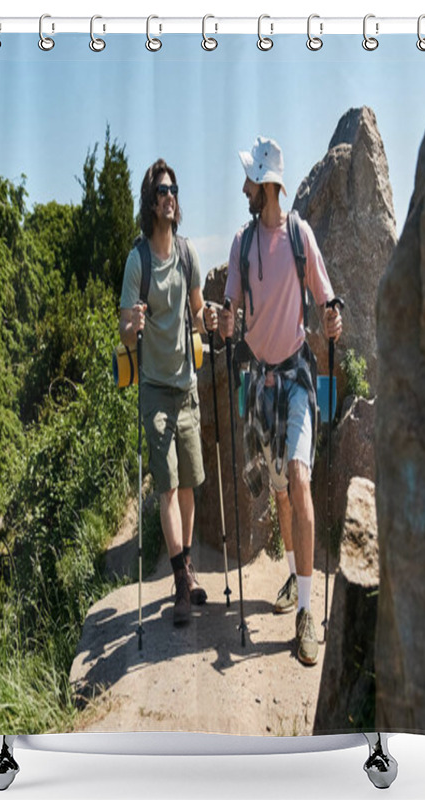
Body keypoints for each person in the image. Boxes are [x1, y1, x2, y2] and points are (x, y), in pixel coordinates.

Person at [218, 137, 342, 666]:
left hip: (296, 380)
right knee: (282, 495)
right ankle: (295, 573)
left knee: (298, 474)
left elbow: (327, 299)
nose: (243, 186)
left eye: (249, 178)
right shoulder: (242, 244)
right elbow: (228, 312)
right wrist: (218, 321)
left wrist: (335, 316)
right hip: (260, 386)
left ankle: (307, 615)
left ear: (264, 184)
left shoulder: (299, 236)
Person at [119, 158, 218, 627]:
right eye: (162, 191)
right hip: (155, 389)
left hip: (187, 386)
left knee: (191, 484)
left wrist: (212, 319)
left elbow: (198, 315)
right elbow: (124, 328)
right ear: (150, 202)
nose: (170, 196)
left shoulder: (188, 253)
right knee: (168, 485)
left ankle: (187, 569)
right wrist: (130, 325)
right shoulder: (137, 259)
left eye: (174, 189)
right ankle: (181, 582)